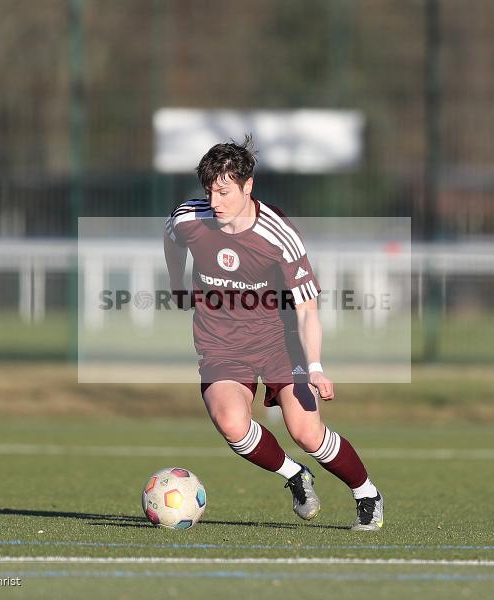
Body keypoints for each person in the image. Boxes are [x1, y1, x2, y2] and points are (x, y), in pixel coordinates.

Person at [163, 137, 383, 531]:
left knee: (307, 433)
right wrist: (177, 282)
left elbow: (307, 308)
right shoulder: (188, 219)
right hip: (222, 344)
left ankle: (366, 493)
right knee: (232, 422)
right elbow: (172, 239)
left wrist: (315, 367)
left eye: (225, 191)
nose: (215, 200)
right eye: (210, 190)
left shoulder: (278, 236)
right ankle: (295, 476)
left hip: (280, 343)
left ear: (248, 186)